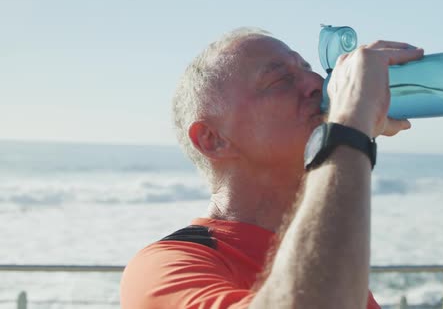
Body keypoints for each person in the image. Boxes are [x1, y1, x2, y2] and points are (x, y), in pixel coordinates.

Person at [120, 27, 423, 308]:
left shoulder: (331, 248)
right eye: (280, 81)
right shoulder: (164, 266)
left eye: (307, 69)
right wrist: (349, 126)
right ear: (212, 139)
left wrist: (349, 126)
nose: (316, 84)